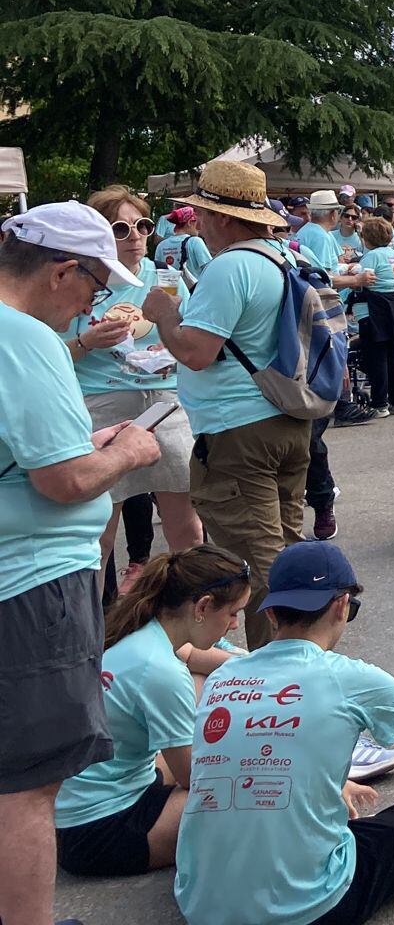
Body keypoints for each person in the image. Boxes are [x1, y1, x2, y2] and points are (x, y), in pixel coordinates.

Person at [173, 541, 394, 925]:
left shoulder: (223, 677)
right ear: (341, 605)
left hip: (200, 902)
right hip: (308, 906)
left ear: (271, 613)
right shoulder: (353, 678)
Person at [0, 203, 163, 925]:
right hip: (32, 581)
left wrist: (82, 439)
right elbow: (63, 480)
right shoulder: (26, 337)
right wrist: (125, 451)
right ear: (63, 269)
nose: (94, 304)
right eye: (95, 286)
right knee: (28, 785)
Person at [141, 160, 313, 649]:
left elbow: (197, 352)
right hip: (283, 420)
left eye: (201, 213)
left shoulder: (231, 265)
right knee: (281, 551)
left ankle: (282, 677)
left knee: (263, 567)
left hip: (239, 431)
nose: (197, 223)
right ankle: (286, 668)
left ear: (221, 217)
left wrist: (165, 316)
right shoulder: (279, 256)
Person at [54, 545, 247, 878]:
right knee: (252, 796)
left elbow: (202, 663)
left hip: (75, 810)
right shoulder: (163, 672)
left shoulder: (141, 631)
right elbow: (195, 778)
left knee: (202, 684)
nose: (233, 624)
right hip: (100, 830)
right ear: (202, 607)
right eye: (232, 613)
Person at [69, 187, 205, 592]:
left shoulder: (164, 276)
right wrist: (86, 343)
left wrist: (172, 342)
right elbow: (45, 354)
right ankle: (92, 636)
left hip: (165, 402)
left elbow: (194, 333)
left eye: (142, 225)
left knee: (188, 530)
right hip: (102, 408)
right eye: (121, 228)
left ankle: (193, 625)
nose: (135, 236)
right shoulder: (82, 281)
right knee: (99, 536)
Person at [355, 217, 394, 418]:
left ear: (366, 238)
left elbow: (361, 282)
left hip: (376, 311)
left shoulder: (371, 257)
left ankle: (379, 403)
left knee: (377, 357)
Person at [155, 206, 211, 279]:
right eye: (197, 222)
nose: (199, 227)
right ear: (190, 222)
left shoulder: (161, 245)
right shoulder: (195, 241)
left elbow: (157, 272)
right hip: (192, 289)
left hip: (170, 289)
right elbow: (209, 269)